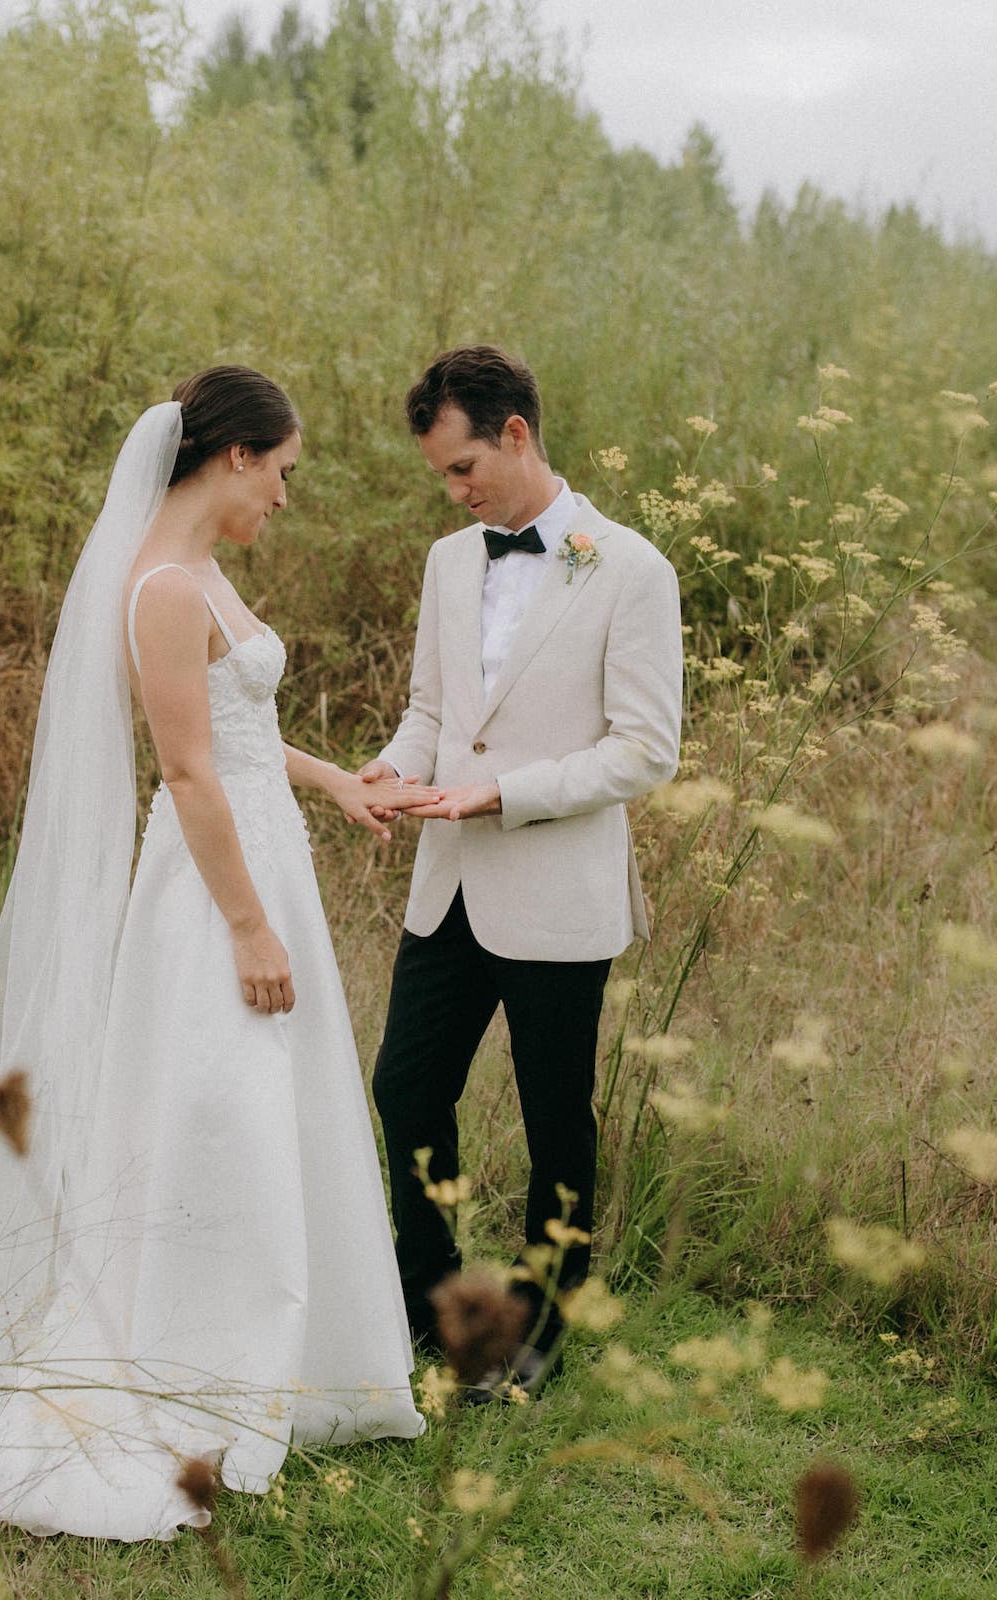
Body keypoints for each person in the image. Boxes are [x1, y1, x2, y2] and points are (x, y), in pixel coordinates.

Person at [0, 367, 432, 1542]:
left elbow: (245, 735)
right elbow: (185, 771)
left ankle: (295, 1360)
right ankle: (195, 1358)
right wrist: (247, 924)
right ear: (232, 456)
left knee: (280, 1100)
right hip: (214, 888)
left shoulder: (205, 576)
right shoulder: (162, 588)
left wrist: (339, 784)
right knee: (217, 1102)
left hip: (261, 854)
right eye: (282, 471)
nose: (284, 495)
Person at [359, 345, 684, 1397]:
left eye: (463, 470)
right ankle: (434, 1306)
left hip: (556, 890)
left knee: (555, 1121)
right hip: (447, 881)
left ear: (515, 434)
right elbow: (430, 710)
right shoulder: (451, 563)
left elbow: (645, 749)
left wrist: (501, 794)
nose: (455, 495)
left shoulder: (630, 567)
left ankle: (540, 1333)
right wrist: (393, 767)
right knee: (405, 1087)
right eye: (441, 479)